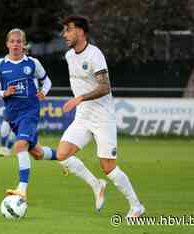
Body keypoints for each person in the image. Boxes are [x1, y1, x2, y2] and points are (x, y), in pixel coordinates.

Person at [58, 15, 145, 217]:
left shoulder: (95, 55)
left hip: (103, 118)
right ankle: (96, 185)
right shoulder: (69, 56)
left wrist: (79, 98)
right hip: (83, 117)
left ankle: (136, 205)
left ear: (80, 31)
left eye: (68, 29)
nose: (65, 34)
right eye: (64, 30)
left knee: (108, 167)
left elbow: (105, 87)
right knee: (62, 155)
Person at [0, 28, 57, 199]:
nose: (16, 44)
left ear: (23, 44)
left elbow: (46, 81)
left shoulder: (32, 63)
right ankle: (64, 156)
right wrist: (4, 93)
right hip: (13, 115)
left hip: (30, 111)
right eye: (12, 41)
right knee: (38, 153)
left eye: (19, 41)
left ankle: (22, 189)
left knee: (19, 146)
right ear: (7, 44)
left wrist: (44, 92)